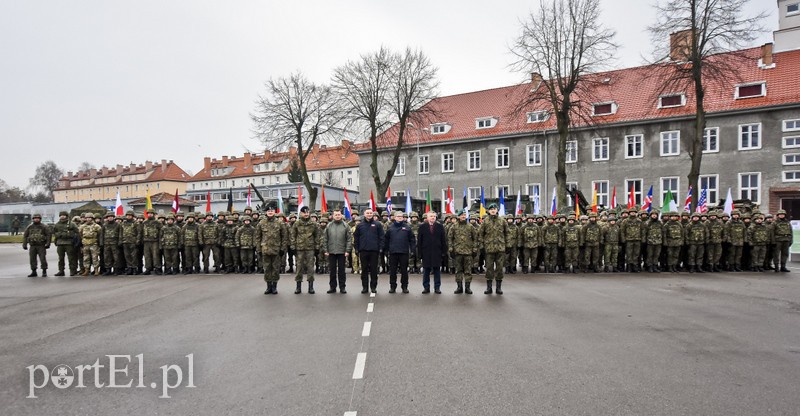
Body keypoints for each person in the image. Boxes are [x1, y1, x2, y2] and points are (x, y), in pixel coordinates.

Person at [255, 202, 288, 295]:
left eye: (272, 211)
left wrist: (282, 249)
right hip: (265, 250)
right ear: (266, 212)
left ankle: (274, 286)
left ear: (275, 212)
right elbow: (257, 237)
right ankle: (268, 286)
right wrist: (258, 249)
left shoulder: (280, 223)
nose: (270, 212)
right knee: (266, 269)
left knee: (275, 268)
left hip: (276, 250)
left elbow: (284, 237)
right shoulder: (261, 223)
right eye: (268, 211)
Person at [479, 203, 508, 294]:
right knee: (489, 268)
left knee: (499, 268)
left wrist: (507, 246)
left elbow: (507, 234)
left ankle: (498, 288)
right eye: (491, 209)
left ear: (497, 210)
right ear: (488, 211)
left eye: (494, 209)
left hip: (500, 249)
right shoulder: (485, 221)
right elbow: (480, 234)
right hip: (489, 249)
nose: (493, 210)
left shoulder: (502, 221)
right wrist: (482, 246)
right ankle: (489, 288)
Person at [384, 210, 416, 294]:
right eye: (398, 216)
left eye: (401, 216)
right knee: (393, 271)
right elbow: (386, 240)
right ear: (394, 217)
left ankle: (404, 286)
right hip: (393, 252)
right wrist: (386, 250)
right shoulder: (390, 227)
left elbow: (412, 240)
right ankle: (392, 287)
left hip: (404, 252)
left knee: (404, 271)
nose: (400, 218)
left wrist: (413, 250)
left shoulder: (407, 227)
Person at [353, 208, 384, 294]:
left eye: (371, 213)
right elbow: (356, 238)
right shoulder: (360, 225)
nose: (369, 214)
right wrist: (356, 248)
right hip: (363, 251)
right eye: (368, 213)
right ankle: (365, 287)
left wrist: (381, 248)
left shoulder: (378, 224)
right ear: (364, 214)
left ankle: (373, 287)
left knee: (374, 270)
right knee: (364, 270)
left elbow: (381, 237)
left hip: (374, 251)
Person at [290, 206, 321, 294]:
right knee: (299, 267)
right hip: (299, 248)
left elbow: (317, 236)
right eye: (304, 212)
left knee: (310, 268)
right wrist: (292, 247)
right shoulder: (297, 223)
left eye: (307, 212)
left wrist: (317, 247)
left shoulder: (314, 224)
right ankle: (298, 287)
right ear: (301, 213)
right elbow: (293, 235)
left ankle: (310, 287)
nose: (306, 214)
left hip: (310, 248)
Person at [449, 209, 478, 294]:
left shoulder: (470, 227)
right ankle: (459, 287)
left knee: (468, 271)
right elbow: (450, 238)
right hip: (458, 252)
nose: (463, 216)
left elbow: (475, 238)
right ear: (458, 216)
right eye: (461, 215)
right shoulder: (454, 227)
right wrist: (451, 249)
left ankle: (467, 287)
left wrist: (475, 249)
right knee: (458, 270)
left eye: (464, 215)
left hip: (468, 252)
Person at [417, 211, 447, 294]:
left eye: (434, 216)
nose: (433, 217)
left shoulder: (440, 227)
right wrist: (419, 253)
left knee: (437, 270)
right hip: (426, 252)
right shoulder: (422, 227)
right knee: (426, 271)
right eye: (431, 216)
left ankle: (437, 287)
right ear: (427, 217)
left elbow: (443, 240)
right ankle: (426, 287)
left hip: (437, 251)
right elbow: (419, 241)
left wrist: (444, 252)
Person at [323, 209, 352, 294]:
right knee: (332, 271)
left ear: (341, 215)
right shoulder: (329, 226)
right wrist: (325, 250)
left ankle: (342, 287)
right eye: (336, 215)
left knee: (342, 271)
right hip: (331, 251)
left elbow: (349, 239)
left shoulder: (345, 226)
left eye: (339, 215)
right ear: (333, 216)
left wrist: (347, 250)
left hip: (342, 252)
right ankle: (332, 287)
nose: (337, 216)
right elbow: (325, 239)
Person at [22, 213, 51, 277]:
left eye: (38, 218)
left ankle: (44, 271)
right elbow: (25, 236)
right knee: (32, 259)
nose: (36, 219)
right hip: (32, 245)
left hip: (41, 245)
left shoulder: (44, 226)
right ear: (33, 219)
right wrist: (24, 244)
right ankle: (33, 271)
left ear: (40, 219)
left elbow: (48, 235)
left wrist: (48, 243)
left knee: (42, 259)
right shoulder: (30, 227)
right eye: (35, 218)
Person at [52, 211, 79, 276]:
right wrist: (59, 235)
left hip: (69, 243)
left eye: (64, 215)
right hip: (60, 243)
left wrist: (71, 235)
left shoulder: (71, 224)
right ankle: (61, 270)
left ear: (66, 216)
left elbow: (77, 232)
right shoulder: (57, 224)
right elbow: (54, 232)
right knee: (61, 258)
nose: (62, 216)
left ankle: (72, 270)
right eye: (61, 215)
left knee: (71, 258)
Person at [101, 211, 122, 275]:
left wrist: (120, 241)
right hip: (106, 243)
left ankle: (116, 270)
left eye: (111, 217)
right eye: (109, 217)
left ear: (113, 217)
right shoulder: (104, 225)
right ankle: (108, 270)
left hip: (114, 243)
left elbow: (120, 234)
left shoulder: (118, 225)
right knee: (107, 257)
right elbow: (102, 234)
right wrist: (101, 242)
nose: (110, 218)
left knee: (116, 257)